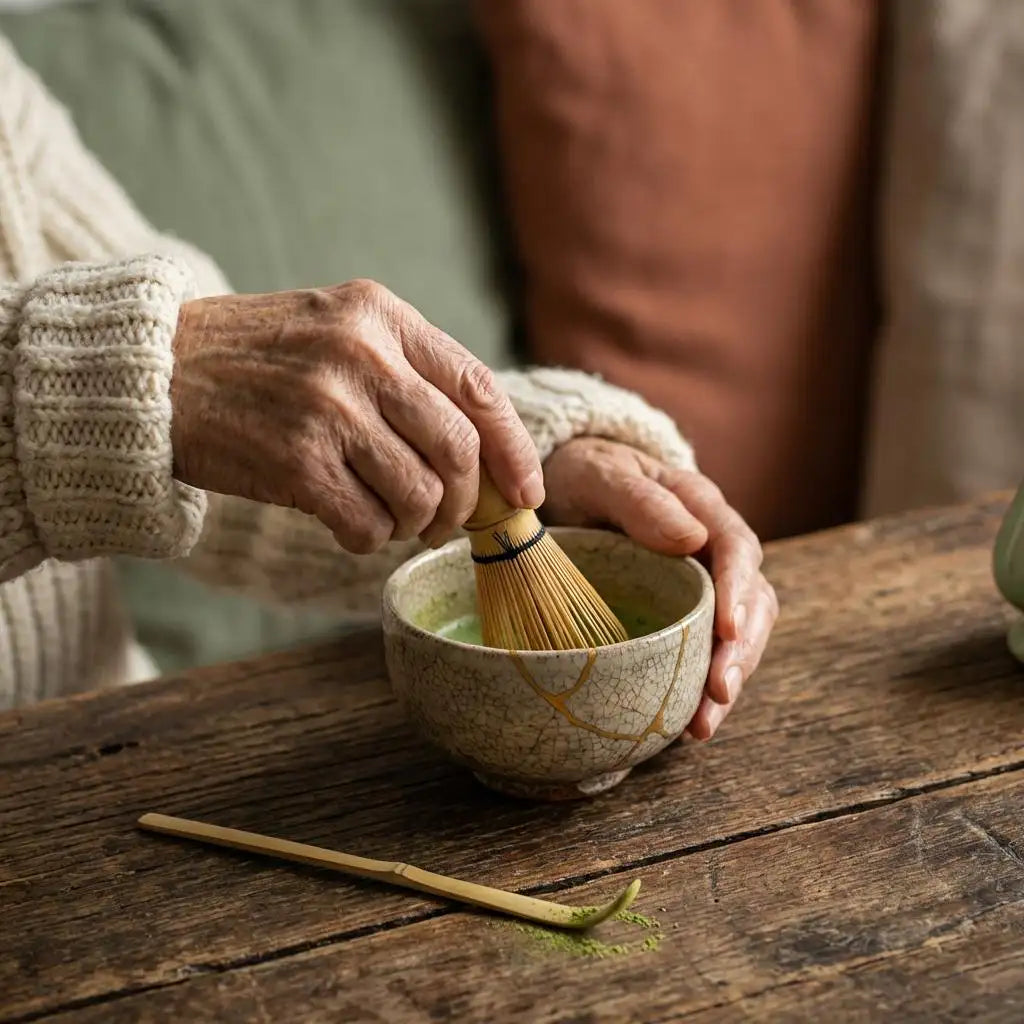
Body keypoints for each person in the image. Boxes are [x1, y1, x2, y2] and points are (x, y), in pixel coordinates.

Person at [0, 36, 776, 738]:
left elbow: (188, 436)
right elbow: (156, 383)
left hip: (93, 747)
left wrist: (543, 465)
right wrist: (137, 376)